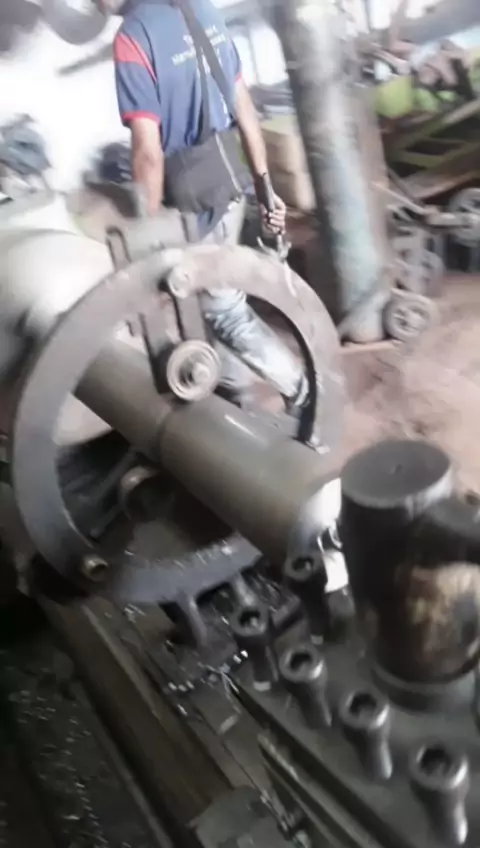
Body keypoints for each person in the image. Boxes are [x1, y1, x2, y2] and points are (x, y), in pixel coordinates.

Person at [97, 0, 306, 408]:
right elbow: (244, 107)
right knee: (214, 296)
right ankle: (235, 398)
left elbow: (148, 153)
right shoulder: (200, 9)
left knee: (223, 310)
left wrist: (147, 232)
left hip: (194, 204)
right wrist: (264, 184)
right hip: (230, 182)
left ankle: (304, 390)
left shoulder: (133, 37)